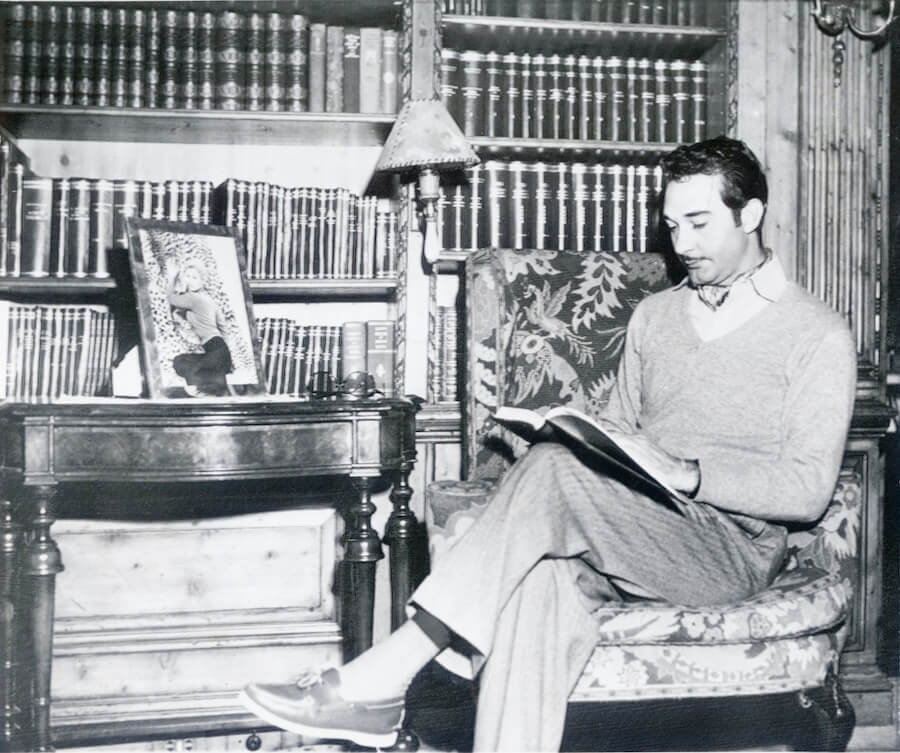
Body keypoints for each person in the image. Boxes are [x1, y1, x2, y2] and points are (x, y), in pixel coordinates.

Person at [238, 137, 857, 751]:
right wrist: (594, 441)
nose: (682, 244)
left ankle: (388, 673)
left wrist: (689, 473)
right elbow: (622, 435)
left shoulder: (817, 333)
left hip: (727, 552)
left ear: (750, 214)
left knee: (556, 471)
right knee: (533, 583)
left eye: (700, 223)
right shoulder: (656, 316)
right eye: (672, 225)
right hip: (633, 530)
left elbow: (806, 492)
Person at [167, 262, 234, 397]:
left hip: (216, 351)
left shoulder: (192, 298)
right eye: (188, 276)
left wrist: (172, 277)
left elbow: (170, 298)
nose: (190, 280)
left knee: (193, 371)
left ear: (202, 281)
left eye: (195, 277)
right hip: (221, 352)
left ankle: (208, 392)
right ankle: (215, 389)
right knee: (180, 361)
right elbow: (224, 328)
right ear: (183, 278)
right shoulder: (209, 300)